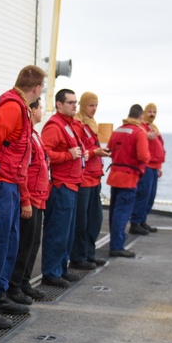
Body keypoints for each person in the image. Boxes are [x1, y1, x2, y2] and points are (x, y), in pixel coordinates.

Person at [0, 65, 46, 328]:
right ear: (37, 88)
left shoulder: (19, 107)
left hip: (10, 184)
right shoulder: (13, 107)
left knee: (10, 242)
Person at [40, 89, 86, 288]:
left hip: (71, 184)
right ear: (59, 104)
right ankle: (51, 272)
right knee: (57, 231)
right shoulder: (55, 126)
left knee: (66, 232)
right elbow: (45, 154)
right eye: (71, 102)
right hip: (61, 185)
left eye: (76, 102)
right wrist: (68, 155)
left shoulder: (69, 125)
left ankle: (61, 268)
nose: (75, 106)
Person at [7, 99, 50, 301]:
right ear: (32, 110)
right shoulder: (27, 137)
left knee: (33, 243)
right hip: (30, 197)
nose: (42, 111)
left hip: (39, 196)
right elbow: (22, 170)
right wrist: (25, 199)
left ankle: (24, 281)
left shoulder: (35, 135)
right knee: (24, 244)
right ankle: (14, 286)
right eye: (40, 108)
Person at [70, 91, 110, 269]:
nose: (94, 109)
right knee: (82, 221)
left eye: (96, 105)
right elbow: (82, 151)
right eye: (90, 105)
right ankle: (79, 257)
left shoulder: (92, 125)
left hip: (95, 177)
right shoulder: (79, 124)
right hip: (84, 179)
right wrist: (96, 152)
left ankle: (89, 253)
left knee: (95, 220)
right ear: (83, 106)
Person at [107, 104, 151, 258]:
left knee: (114, 211)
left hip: (115, 174)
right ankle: (117, 245)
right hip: (129, 176)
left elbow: (110, 149)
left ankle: (115, 241)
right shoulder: (139, 132)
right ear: (140, 117)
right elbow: (143, 156)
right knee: (123, 212)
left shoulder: (118, 130)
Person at [129, 102, 165, 234]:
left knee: (150, 196)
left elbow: (158, 148)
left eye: (154, 112)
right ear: (144, 113)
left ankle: (142, 220)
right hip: (147, 166)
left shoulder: (153, 128)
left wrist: (159, 166)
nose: (152, 114)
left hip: (154, 166)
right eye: (149, 112)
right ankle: (135, 222)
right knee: (143, 195)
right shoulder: (142, 128)